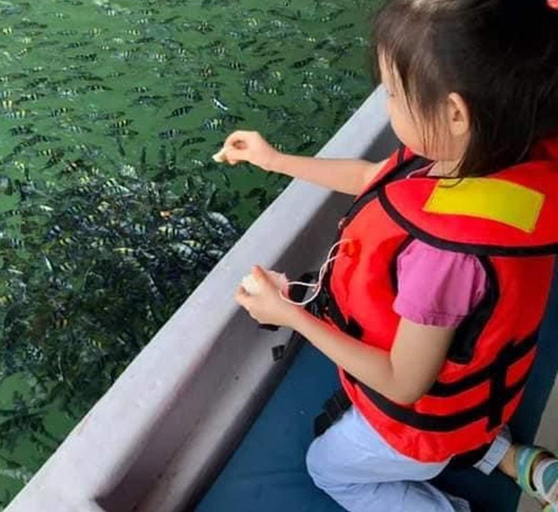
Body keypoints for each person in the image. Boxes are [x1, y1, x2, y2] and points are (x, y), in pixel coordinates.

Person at [219, 0, 558, 510]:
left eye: (394, 94)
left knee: (329, 469)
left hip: (419, 430)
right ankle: (507, 456)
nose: (388, 104)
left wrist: (287, 314)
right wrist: (274, 161)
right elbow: (369, 179)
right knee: (459, 423)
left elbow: (404, 383)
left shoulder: (444, 259)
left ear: (455, 113)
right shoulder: (493, 155)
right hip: (477, 399)